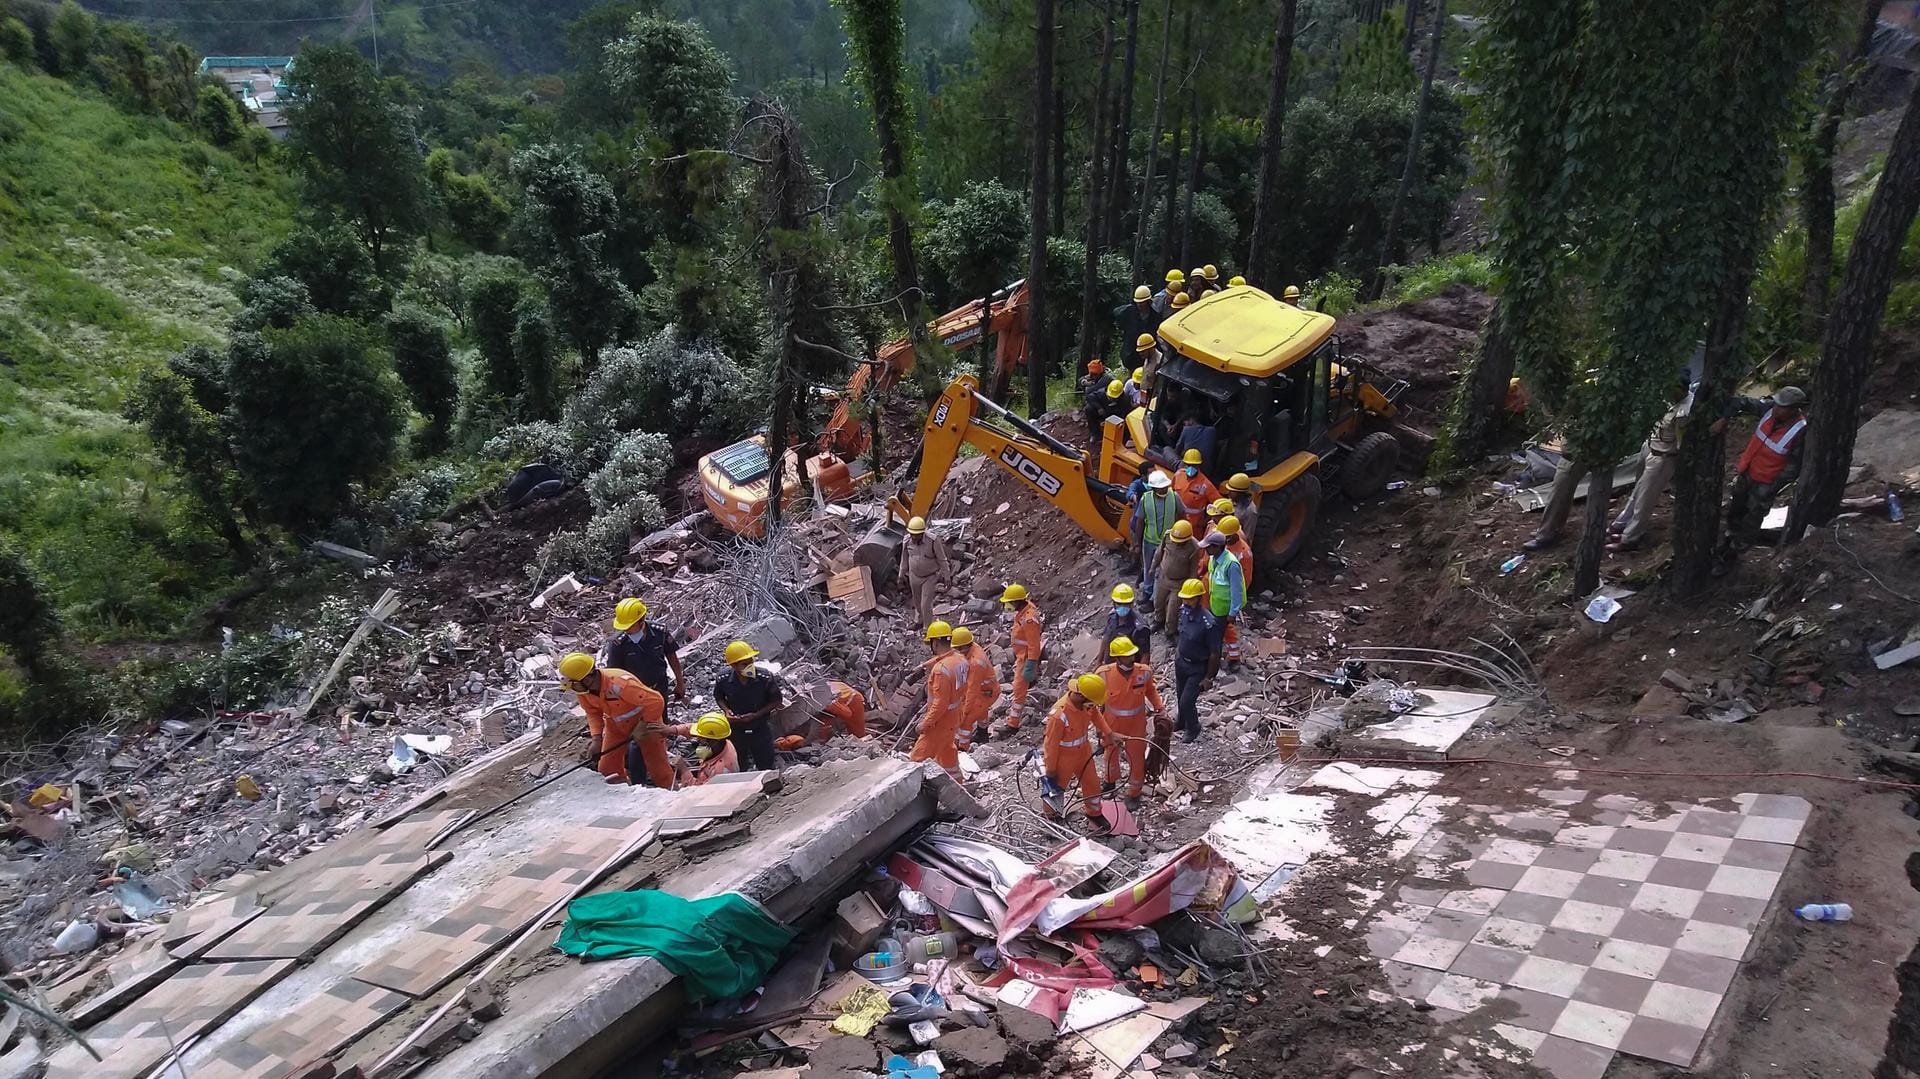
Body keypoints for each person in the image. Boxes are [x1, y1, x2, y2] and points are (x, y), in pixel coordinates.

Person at [1607, 372, 1695, 552]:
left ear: (1680, 389)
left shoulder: (1683, 412)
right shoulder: (1673, 402)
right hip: (1653, 451)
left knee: (1644, 501)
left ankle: (1630, 538)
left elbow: (1681, 443)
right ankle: (1622, 524)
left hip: (1663, 459)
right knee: (1637, 493)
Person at [559, 652, 672, 788]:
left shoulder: (620, 683)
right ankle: (627, 797)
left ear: (587, 679)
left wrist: (644, 724)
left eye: (574, 685)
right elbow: (593, 713)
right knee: (608, 769)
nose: (573, 690)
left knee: (659, 769)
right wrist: (596, 739)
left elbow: (656, 701)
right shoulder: (584, 692)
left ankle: (673, 796)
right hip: (615, 727)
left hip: (646, 723)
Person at [1719, 386, 1810, 552]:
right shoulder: (1768, 410)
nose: (1776, 408)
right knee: (1737, 505)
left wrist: (1774, 485)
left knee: (1753, 517)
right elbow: (1742, 402)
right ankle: (1729, 535)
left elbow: (1794, 466)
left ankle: (1736, 550)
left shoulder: (1800, 430)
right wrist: (1724, 417)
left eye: (1782, 406)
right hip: (1748, 471)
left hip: (1766, 482)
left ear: (1795, 409)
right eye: (1776, 404)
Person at [1097, 637, 1166, 805]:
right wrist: (1099, 728)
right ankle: (1110, 781)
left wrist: (1160, 708)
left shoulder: (1144, 672)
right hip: (1112, 723)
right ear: (1117, 657)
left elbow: (1151, 691)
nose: (1131, 658)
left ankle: (1134, 792)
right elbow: (1097, 704)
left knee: (1136, 758)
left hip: (1136, 724)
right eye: (1127, 656)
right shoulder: (1104, 674)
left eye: (1132, 654)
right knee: (1110, 755)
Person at [1039, 674, 1111, 829]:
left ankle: (1094, 813)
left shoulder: (1086, 703)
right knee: (1055, 789)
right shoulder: (1059, 715)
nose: (1092, 705)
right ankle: (1051, 819)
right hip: (1064, 757)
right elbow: (1050, 744)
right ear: (1081, 695)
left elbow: (1096, 715)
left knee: (1092, 783)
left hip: (1084, 751)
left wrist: (1108, 733)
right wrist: (1050, 770)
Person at [714, 640, 786, 775]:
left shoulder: (764, 677)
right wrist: (727, 711)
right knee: (738, 763)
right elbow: (719, 697)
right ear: (734, 666)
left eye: (751, 662)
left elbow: (776, 700)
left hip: (759, 726)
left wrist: (756, 715)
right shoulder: (723, 679)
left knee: (766, 762)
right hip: (736, 729)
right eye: (744, 664)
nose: (750, 666)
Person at [910, 621, 968, 778]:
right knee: (947, 752)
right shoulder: (960, 659)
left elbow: (939, 704)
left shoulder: (941, 671)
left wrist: (925, 723)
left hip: (941, 721)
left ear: (935, 643)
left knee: (916, 759)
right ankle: (957, 785)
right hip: (955, 714)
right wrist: (923, 666)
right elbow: (944, 658)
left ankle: (916, 797)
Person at [1171, 579, 1217, 743]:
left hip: (1197, 667)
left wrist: (1209, 677)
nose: (1186, 602)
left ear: (1199, 598)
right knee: (1180, 694)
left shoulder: (1208, 623)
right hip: (1181, 661)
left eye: (1190, 599)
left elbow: (1214, 653)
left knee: (1187, 700)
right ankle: (1181, 721)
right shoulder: (1183, 611)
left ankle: (1193, 727)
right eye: (1184, 598)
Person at [1197, 530, 1244, 680]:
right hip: (1214, 603)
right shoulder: (1213, 559)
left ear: (1217, 547)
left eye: (1208, 547)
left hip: (1223, 608)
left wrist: (1233, 612)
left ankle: (1227, 661)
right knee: (1216, 633)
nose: (1206, 550)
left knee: (1220, 635)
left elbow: (1237, 590)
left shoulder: (1231, 565)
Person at [998, 583, 1044, 735]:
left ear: (1017, 601)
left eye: (1010, 602)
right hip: (1022, 656)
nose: (1008, 605)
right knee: (1019, 688)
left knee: (1018, 689)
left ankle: (1013, 724)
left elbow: (1034, 645)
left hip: (1025, 658)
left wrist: (1031, 665)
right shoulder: (1025, 610)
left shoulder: (1029, 619)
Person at [897, 516, 951, 629]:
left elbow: (942, 559)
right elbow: (904, 560)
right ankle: (919, 621)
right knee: (917, 602)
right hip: (914, 576)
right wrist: (900, 577)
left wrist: (947, 577)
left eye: (917, 535)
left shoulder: (933, 541)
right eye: (912, 534)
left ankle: (928, 628)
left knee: (925, 604)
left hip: (930, 576)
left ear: (923, 533)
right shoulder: (907, 541)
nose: (914, 537)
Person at [953, 626, 1001, 751]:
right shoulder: (973, 647)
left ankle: (962, 748)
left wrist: (965, 711)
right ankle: (982, 735)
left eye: (957, 648)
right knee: (981, 712)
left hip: (986, 692)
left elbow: (972, 690)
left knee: (966, 721)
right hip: (987, 689)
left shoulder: (975, 663)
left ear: (964, 647)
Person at [1135, 470, 1179, 597]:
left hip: (1168, 542)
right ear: (1153, 488)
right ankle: (1148, 592)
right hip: (1149, 541)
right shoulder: (1146, 499)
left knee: (1162, 571)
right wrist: (1137, 543)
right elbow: (1140, 521)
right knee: (1149, 568)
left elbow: (1181, 516)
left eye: (1165, 487)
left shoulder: (1174, 497)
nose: (1164, 490)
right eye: (1160, 488)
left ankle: (1155, 598)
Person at [663, 712, 738, 787]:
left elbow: (701, 792)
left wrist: (684, 770)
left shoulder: (720, 772)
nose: (697, 740)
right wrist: (672, 730)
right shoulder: (722, 740)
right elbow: (691, 728)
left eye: (701, 739)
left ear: (714, 741)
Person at [1150, 520, 1199, 633]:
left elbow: (1193, 570)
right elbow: (1159, 553)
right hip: (1164, 577)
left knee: (1173, 610)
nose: (1177, 543)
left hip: (1179, 583)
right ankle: (1158, 620)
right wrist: (1153, 567)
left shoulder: (1194, 547)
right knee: (1158, 601)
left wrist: (1190, 590)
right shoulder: (1168, 536)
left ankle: (1170, 631)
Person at [1172, 448, 1221, 530]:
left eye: (1194, 465)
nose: (1191, 468)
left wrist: (1206, 520)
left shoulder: (1205, 484)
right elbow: (1170, 493)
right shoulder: (1178, 475)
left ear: (1199, 466)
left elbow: (1219, 505)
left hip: (1194, 527)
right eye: (1188, 465)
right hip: (1176, 521)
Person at [1103, 583, 1152, 664]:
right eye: (1119, 603)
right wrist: (1099, 661)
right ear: (1114, 604)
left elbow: (1145, 655)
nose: (1122, 607)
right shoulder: (1112, 618)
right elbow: (1106, 638)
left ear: (1131, 604)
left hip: (1129, 668)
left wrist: (1139, 674)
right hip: (1111, 665)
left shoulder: (1140, 627)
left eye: (1126, 604)